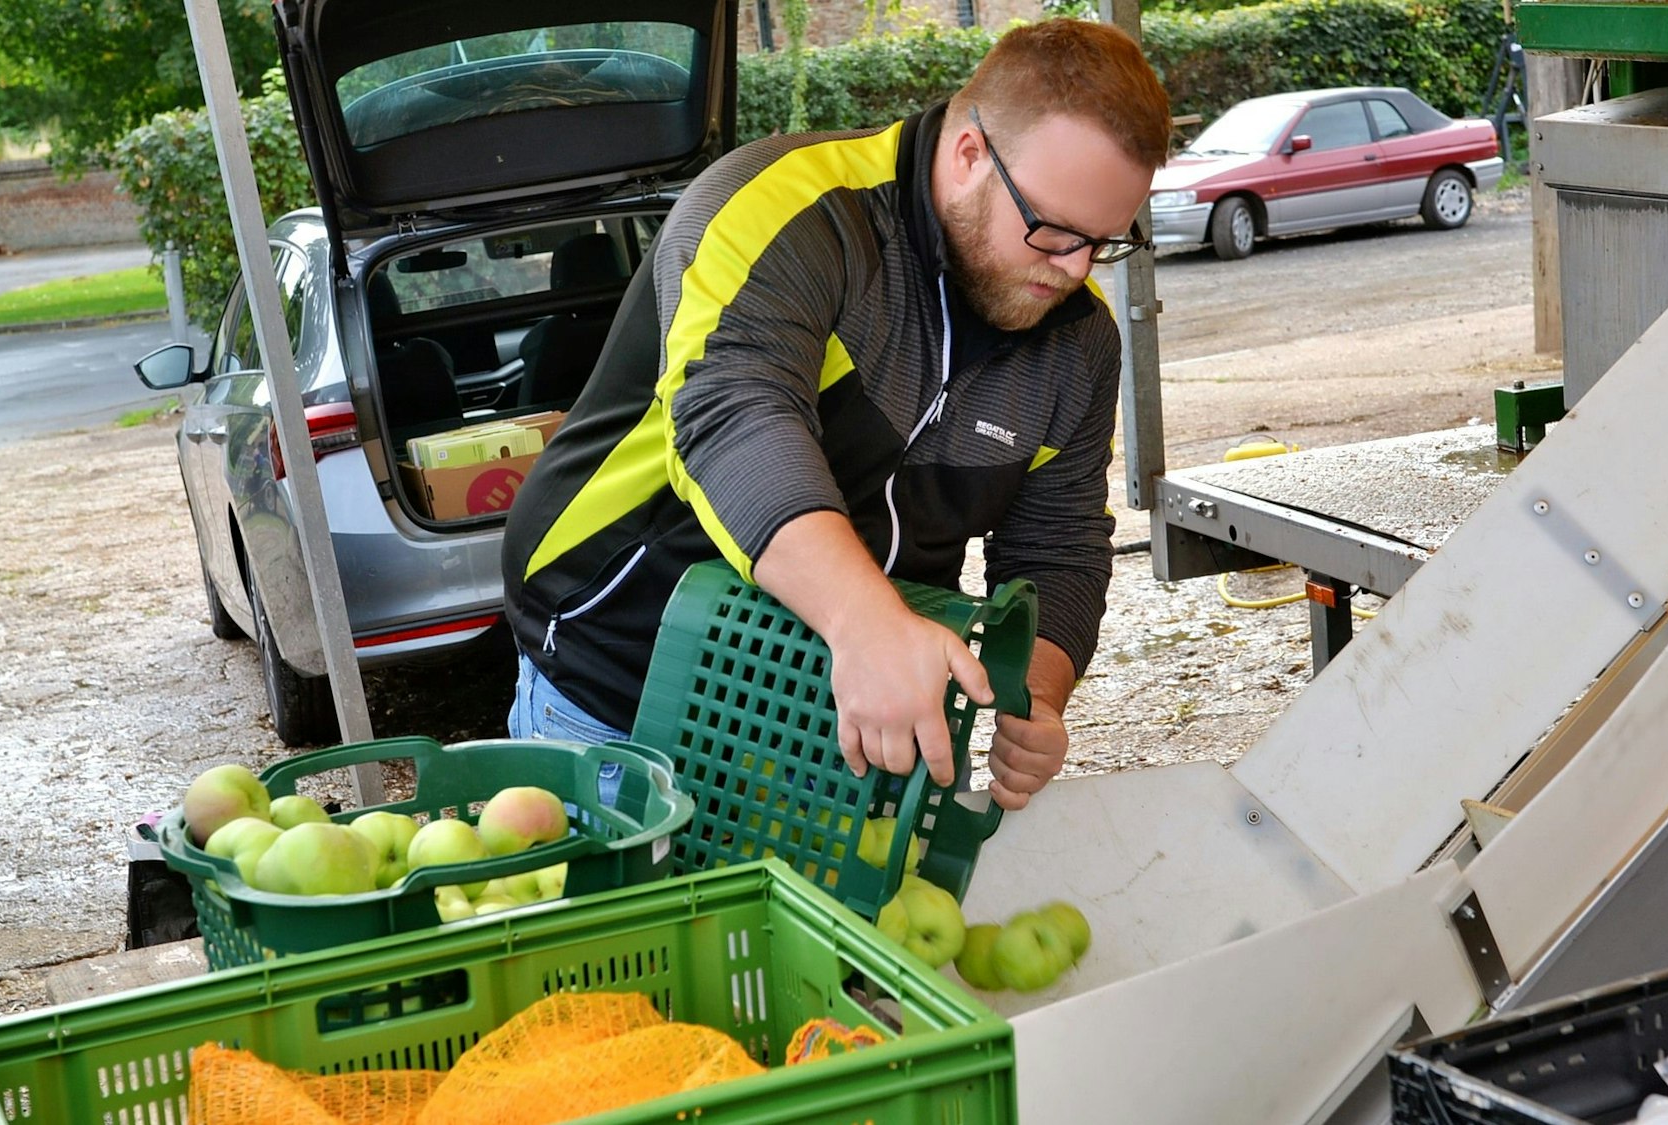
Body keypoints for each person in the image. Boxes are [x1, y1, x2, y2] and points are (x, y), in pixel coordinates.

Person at [501, 18, 1173, 812]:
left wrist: (1041, 696)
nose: (1074, 270)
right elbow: (734, 416)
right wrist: (866, 625)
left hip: (841, 716)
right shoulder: (788, 209)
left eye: (1104, 242)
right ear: (968, 156)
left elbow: (1057, 543)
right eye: (1054, 231)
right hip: (618, 682)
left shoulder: (1080, 342)